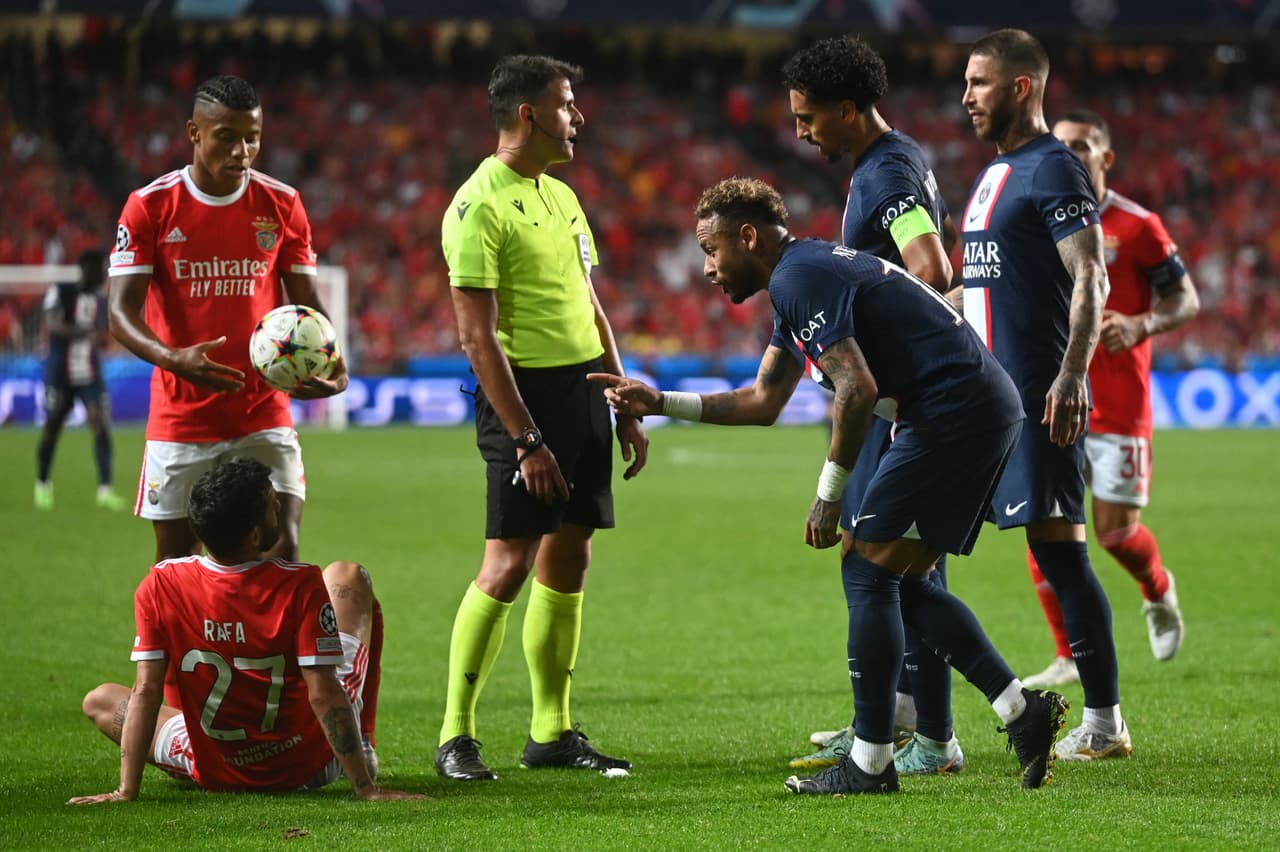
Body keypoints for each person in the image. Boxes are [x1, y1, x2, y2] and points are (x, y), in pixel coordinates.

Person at [592, 177, 1068, 794]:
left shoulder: (801, 278)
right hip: (972, 409)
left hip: (954, 414)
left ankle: (870, 762)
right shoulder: (799, 282)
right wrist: (660, 401)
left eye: (711, 250)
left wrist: (828, 493)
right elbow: (763, 400)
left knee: (866, 570)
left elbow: (857, 388)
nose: (707, 268)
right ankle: (1021, 713)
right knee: (900, 581)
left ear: (748, 236)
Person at [435, 54, 648, 782]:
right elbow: (476, 337)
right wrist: (526, 439)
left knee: (571, 556)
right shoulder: (477, 206)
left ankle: (551, 731)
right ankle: (454, 735)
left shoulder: (560, 196)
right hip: (521, 397)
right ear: (528, 115)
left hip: (585, 389)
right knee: (508, 564)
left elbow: (590, 302)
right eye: (565, 104)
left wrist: (620, 398)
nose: (577, 117)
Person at [781, 35, 967, 776]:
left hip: (900, 408)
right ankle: (893, 715)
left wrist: (889, 368)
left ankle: (932, 738)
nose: (800, 131)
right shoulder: (886, 162)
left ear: (849, 110)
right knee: (881, 562)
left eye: (809, 117)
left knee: (896, 567)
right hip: (893, 406)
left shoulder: (887, 172)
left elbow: (932, 268)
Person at [960, 29, 1130, 761]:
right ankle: (911, 723)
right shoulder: (995, 172)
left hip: (1034, 397)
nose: (965, 96)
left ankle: (1104, 722)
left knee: (1060, 551)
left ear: (1021, 87)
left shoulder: (1053, 167)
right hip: (978, 403)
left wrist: (1070, 374)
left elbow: (1091, 277)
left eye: (979, 82)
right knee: (905, 551)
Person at [67, 457, 422, 803]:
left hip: (215, 766)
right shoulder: (300, 584)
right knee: (348, 575)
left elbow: (146, 690)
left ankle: (200, 743)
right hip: (308, 764)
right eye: (272, 505)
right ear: (254, 534)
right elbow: (323, 694)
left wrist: (125, 791)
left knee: (100, 701)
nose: (280, 508)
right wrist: (366, 788)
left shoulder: (161, 583)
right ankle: (361, 744)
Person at [107, 74, 347, 565]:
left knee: (283, 549)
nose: (243, 150)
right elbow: (119, 311)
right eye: (227, 136)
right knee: (176, 562)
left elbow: (307, 303)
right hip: (182, 416)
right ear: (194, 132)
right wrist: (172, 359)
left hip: (263, 411)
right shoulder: (150, 206)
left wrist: (335, 363)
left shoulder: (282, 204)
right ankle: (178, 646)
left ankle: (266, 645)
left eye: (252, 137)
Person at [1021, 109, 1199, 689]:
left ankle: (1158, 589)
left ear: (1105, 157)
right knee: (1043, 522)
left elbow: (1186, 300)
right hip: (1054, 393)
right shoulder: (1039, 217)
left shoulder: (1139, 225)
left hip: (1119, 400)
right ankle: (1067, 654)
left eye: (1081, 146)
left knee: (1115, 533)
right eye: (1061, 145)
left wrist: (1144, 324)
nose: (1068, 154)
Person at [34, 249, 127, 511]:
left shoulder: (99, 299)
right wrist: (84, 332)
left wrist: (105, 341)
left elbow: (104, 337)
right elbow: (52, 324)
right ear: (86, 269)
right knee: (53, 426)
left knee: (100, 424)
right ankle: (42, 484)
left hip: (90, 375)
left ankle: (105, 490)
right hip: (60, 374)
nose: (103, 274)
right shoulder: (61, 291)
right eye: (100, 268)